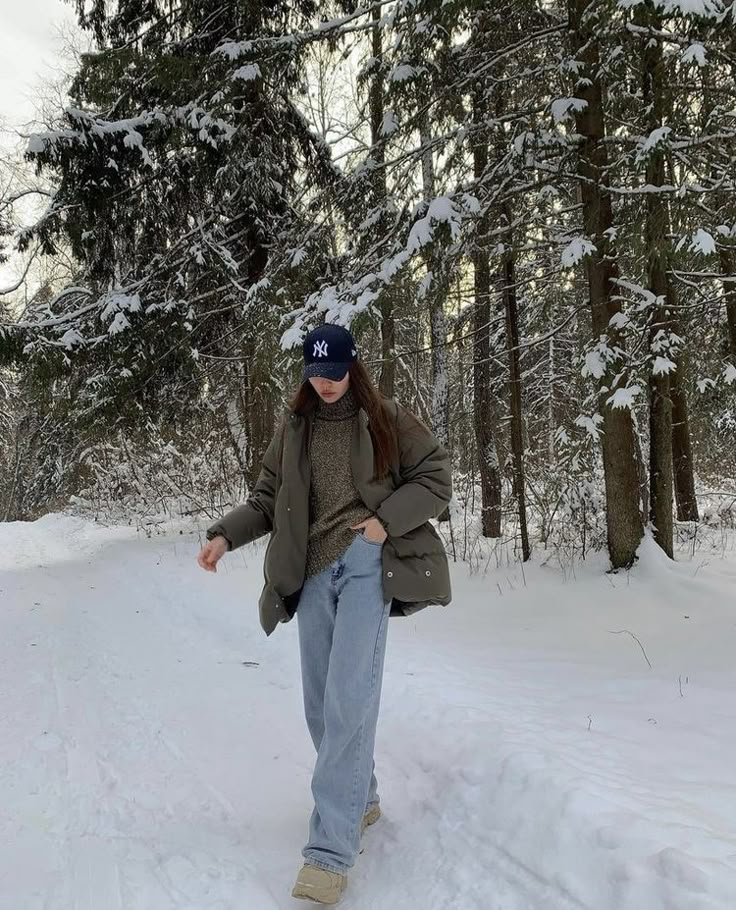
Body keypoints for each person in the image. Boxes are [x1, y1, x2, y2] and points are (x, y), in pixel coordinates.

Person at [197, 322, 452, 905]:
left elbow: (437, 476)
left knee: (348, 698)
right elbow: (267, 498)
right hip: (312, 573)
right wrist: (223, 538)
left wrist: (384, 521)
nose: (327, 381)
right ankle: (359, 800)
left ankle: (330, 851)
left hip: (366, 565)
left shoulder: (384, 417)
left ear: (351, 366)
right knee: (320, 702)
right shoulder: (294, 428)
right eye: (316, 371)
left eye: (336, 370)